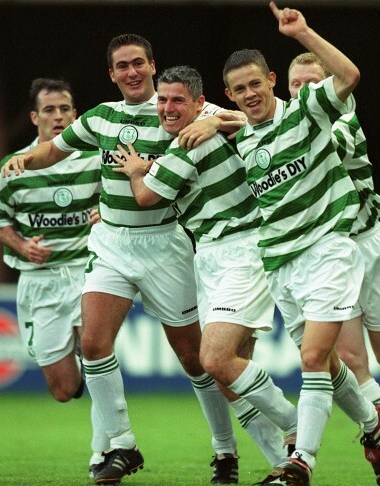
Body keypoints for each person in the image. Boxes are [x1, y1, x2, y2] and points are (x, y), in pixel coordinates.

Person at [1, 35, 240, 485]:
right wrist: (24, 162)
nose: (131, 72)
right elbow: (54, 149)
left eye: (138, 64)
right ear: (111, 74)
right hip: (111, 244)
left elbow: (248, 120)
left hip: (164, 243)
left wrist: (214, 123)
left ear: (153, 65)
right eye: (121, 67)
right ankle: (123, 446)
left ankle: (225, 453)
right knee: (92, 344)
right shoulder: (101, 117)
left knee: (194, 358)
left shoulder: (178, 106)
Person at [222, 4, 380, 485]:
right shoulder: (244, 143)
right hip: (281, 266)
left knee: (314, 359)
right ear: (230, 95)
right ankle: (373, 427)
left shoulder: (307, 110)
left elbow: (350, 74)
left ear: (273, 80)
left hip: (328, 252)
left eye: (255, 83)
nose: (249, 94)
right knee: (332, 364)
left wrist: (303, 33)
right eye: (239, 89)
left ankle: (300, 462)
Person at [111, 64, 299, 476]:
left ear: (198, 101)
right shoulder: (190, 130)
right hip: (210, 254)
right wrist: (215, 121)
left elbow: (144, 197)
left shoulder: (189, 140)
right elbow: (237, 119)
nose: (167, 107)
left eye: (178, 99)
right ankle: (284, 468)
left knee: (213, 359)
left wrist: (137, 172)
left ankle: (297, 427)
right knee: (230, 375)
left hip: (244, 247)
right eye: (162, 99)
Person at [286, 52, 380, 484]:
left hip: (369, 244)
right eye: (296, 86)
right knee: (353, 361)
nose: (304, 93)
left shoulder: (342, 123)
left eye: (314, 83)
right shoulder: (285, 128)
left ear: (331, 85)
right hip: (331, 254)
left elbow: (309, 147)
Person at [0, 77, 104, 468]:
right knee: (64, 390)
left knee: (100, 356)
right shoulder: (12, 167)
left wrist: (109, 212)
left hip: (89, 272)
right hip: (41, 283)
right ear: (35, 118)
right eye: (49, 110)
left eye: (65, 108)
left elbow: (129, 195)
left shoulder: (96, 158)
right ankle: (87, 369)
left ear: (75, 114)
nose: (58, 116)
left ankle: (107, 449)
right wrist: (20, 244)